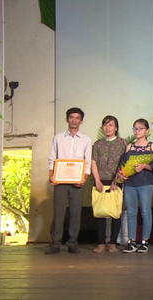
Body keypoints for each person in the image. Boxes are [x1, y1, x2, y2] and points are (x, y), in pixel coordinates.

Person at [46, 107, 92, 254]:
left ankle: (72, 243)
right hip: (60, 181)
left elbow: (88, 161)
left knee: (75, 212)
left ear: (81, 121)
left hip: (78, 182)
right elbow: (52, 158)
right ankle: (55, 243)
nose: (74, 120)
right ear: (67, 119)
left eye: (77, 118)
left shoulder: (86, 139)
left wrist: (83, 179)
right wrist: (51, 176)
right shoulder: (58, 137)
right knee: (59, 212)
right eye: (71, 117)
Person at [119, 119, 153, 253]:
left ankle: (144, 241)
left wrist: (144, 166)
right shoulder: (129, 147)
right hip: (130, 183)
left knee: (145, 211)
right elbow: (122, 165)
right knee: (131, 212)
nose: (137, 131)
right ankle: (131, 241)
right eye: (135, 128)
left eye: (140, 128)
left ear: (147, 131)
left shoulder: (151, 146)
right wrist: (121, 175)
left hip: (145, 183)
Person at [91, 116, 127, 253]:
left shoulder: (122, 143)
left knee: (115, 213)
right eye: (105, 125)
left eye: (111, 125)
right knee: (100, 213)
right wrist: (97, 180)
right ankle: (101, 243)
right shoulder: (98, 144)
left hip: (116, 182)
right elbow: (93, 162)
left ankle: (112, 243)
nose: (108, 128)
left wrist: (117, 180)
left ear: (116, 128)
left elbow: (125, 163)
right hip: (100, 181)